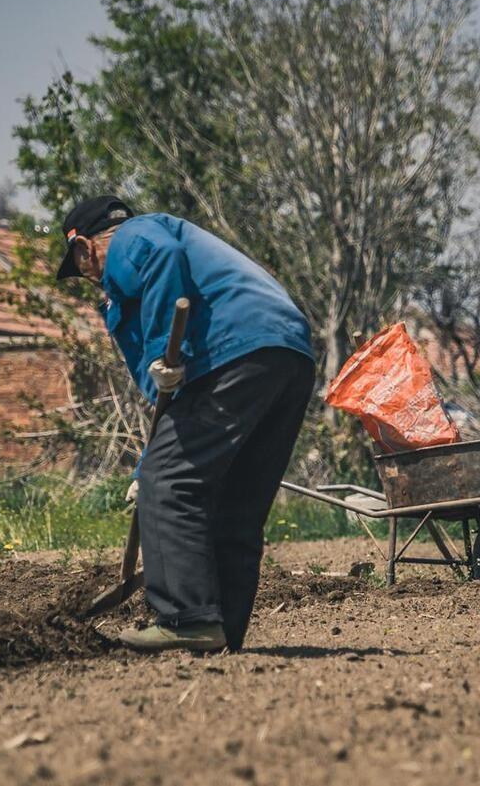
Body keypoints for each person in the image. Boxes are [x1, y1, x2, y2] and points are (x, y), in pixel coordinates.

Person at [56, 196, 315, 653]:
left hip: (235, 351)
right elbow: (173, 403)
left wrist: (159, 351)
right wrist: (147, 467)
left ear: (83, 248)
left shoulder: (134, 237)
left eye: (82, 269)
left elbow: (162, 258)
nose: (91, 279)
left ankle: (186, 616)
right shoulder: (165, 258)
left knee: (170, 482)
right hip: (285, 355)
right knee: (235, 502)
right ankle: (221, 628)